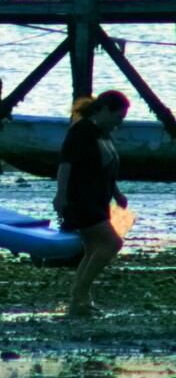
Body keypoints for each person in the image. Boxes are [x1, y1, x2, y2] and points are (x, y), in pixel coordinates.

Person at [54, 89, 130, 318]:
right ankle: (79, 296)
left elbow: (105, 168)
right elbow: (65, 166)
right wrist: (60, 197)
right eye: (119, 116)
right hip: (81, 200)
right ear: (106, 110)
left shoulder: (102, 133)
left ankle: (80, 301)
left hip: (98, 201)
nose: (120, 122)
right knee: (111, 244)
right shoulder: (81, 131)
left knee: (92, 250)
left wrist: (117, 193)